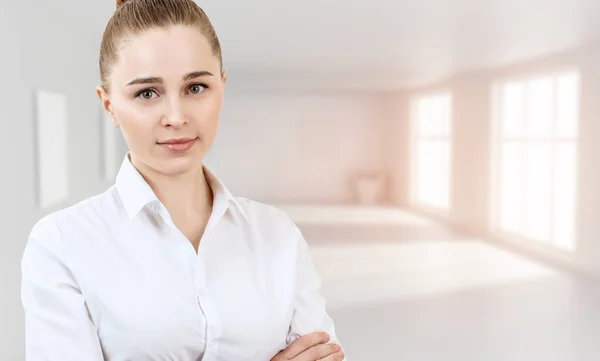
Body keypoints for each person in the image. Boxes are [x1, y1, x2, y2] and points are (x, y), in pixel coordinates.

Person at [20, 0, 346, 360]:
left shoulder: (276, 234)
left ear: (221, 88)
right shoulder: (62, 244)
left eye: (195, 88)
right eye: (147, 93)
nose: (176, 117)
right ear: (109, 104)